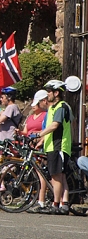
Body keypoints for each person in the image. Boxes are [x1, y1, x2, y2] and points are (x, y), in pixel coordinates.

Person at [36, 80, 73, 215]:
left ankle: (56, 204)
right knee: (60, 176)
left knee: (56, 177)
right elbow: (49, 129)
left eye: (49, 92)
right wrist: (41, 140)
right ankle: (64, 204)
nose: (47, 94)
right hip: (52, 145)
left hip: (59, 146)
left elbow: (54, 126)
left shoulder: (61, 107)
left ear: (56, 93)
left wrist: (38, 135)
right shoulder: (52, 108)